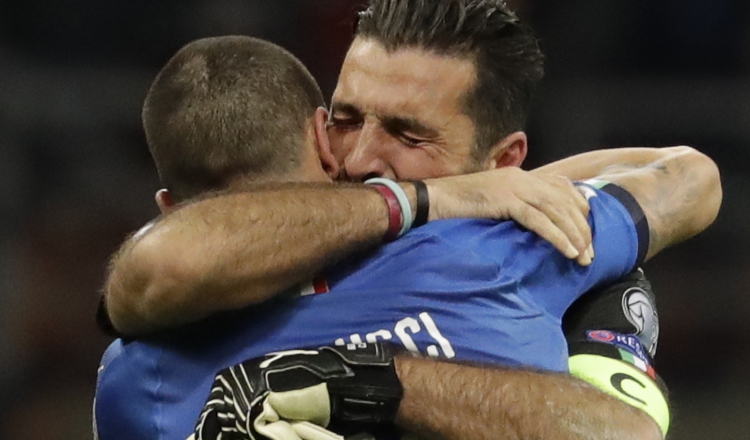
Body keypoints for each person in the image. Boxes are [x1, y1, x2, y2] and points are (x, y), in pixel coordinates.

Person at [98, 1, 721, 438]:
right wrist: (431, 198)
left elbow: (690, 176)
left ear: (499, 163)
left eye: (407, 134)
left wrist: (366, 383)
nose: (363, 157)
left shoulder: (504, 242)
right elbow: (163, 263)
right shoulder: (146, 370)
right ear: (318, 130)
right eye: (347, 119)